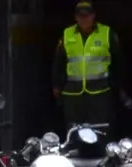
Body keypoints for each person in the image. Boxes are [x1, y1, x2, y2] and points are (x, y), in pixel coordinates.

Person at [54, 1, 121, 132]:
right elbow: (58, 62)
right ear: (75, 17)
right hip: (73, 94)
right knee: (74, 131)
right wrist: (56, 85)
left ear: (93, 16)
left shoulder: (106, 33)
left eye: (87, 15)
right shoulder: (67, 34)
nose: (84, 19)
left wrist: (115, 85)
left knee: (100, 130)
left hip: (99, 92)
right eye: (80, 16)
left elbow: (119, 62)